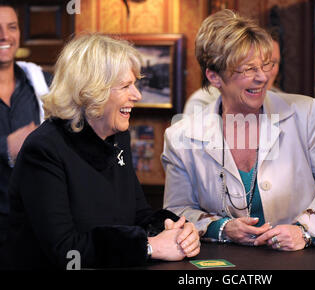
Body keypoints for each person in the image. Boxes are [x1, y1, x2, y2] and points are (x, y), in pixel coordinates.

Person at [162, 9, 315, 251]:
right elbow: (177, 210)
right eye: (247, 69)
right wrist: (222, 228)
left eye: (266, 65)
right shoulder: (180, 136)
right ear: (214, 76)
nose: (262, 77)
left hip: (304, 261)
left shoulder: (306, 113)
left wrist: (304, 231)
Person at [0, 34, 200, 269]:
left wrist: (176, 228)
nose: (137, 95)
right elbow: (66, 251)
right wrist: (149, 247)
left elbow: (138, 214)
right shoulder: (43, 149)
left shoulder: (116, 136)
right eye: (126, 86)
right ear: (91, 92)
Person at [0, 1, 52, 245]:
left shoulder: (41, 82)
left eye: (12, 27)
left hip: (35, 223)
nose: (4, 36)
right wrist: (5, 147)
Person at [183, 27, 282, 115]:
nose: (264, 76)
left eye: (270, 63)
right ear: (214, 77)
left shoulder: (286, 103)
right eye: (249, 68)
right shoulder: (201, 103)